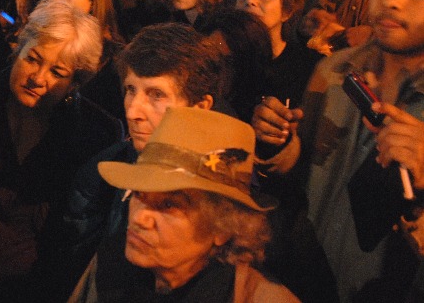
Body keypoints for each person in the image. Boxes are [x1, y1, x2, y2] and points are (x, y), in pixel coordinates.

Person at [252, 0, 424, 302]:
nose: (393, 1)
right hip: (306, 278)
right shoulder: (333, 71)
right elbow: (301, 170)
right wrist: (278, 140)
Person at [0, 0, 122, 303]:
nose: (38, 78)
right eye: (33, 59)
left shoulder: (94, 135)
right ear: (18, 48)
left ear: (74, 82)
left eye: (57, 72)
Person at [57, 24, 224, 301]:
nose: (133, 111)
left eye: (156, 95)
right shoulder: (99, 176)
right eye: (130, 90)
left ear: (201, 107)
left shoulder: (225, 184)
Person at [70, 107, 297, 302]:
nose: (139, 218)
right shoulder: (112, 262)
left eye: (169, 204)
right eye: (139, 194)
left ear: (223, 228)